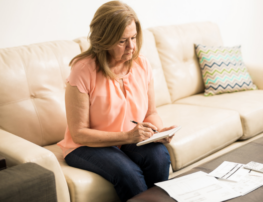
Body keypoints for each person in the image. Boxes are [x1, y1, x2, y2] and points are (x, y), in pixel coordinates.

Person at [57, 1, 176, 201]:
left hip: (127, 140)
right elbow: (79, 133)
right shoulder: (83, 70)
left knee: (159, 155)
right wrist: (128, 137)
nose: (131, 47)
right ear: (104, 40)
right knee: (127, 172)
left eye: (134, 38)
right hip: (85, 146)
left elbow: (151, 113)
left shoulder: (142, 64)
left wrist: (156, 133)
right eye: (122, 41)